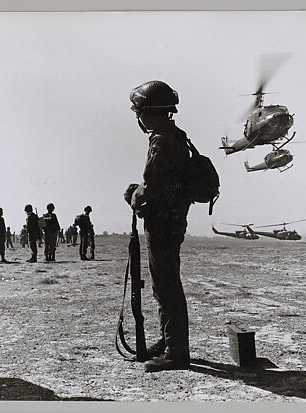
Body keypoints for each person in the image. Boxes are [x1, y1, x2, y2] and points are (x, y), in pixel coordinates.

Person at [124, 80, 192, 373]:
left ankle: (176, 352)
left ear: (147, 113)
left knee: (165, 287)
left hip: (162, 224)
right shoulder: (177, 136)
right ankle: (169, 342)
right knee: (166, 285)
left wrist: (132, 195)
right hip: (173, 220)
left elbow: (147, 190)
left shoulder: (161, 140)